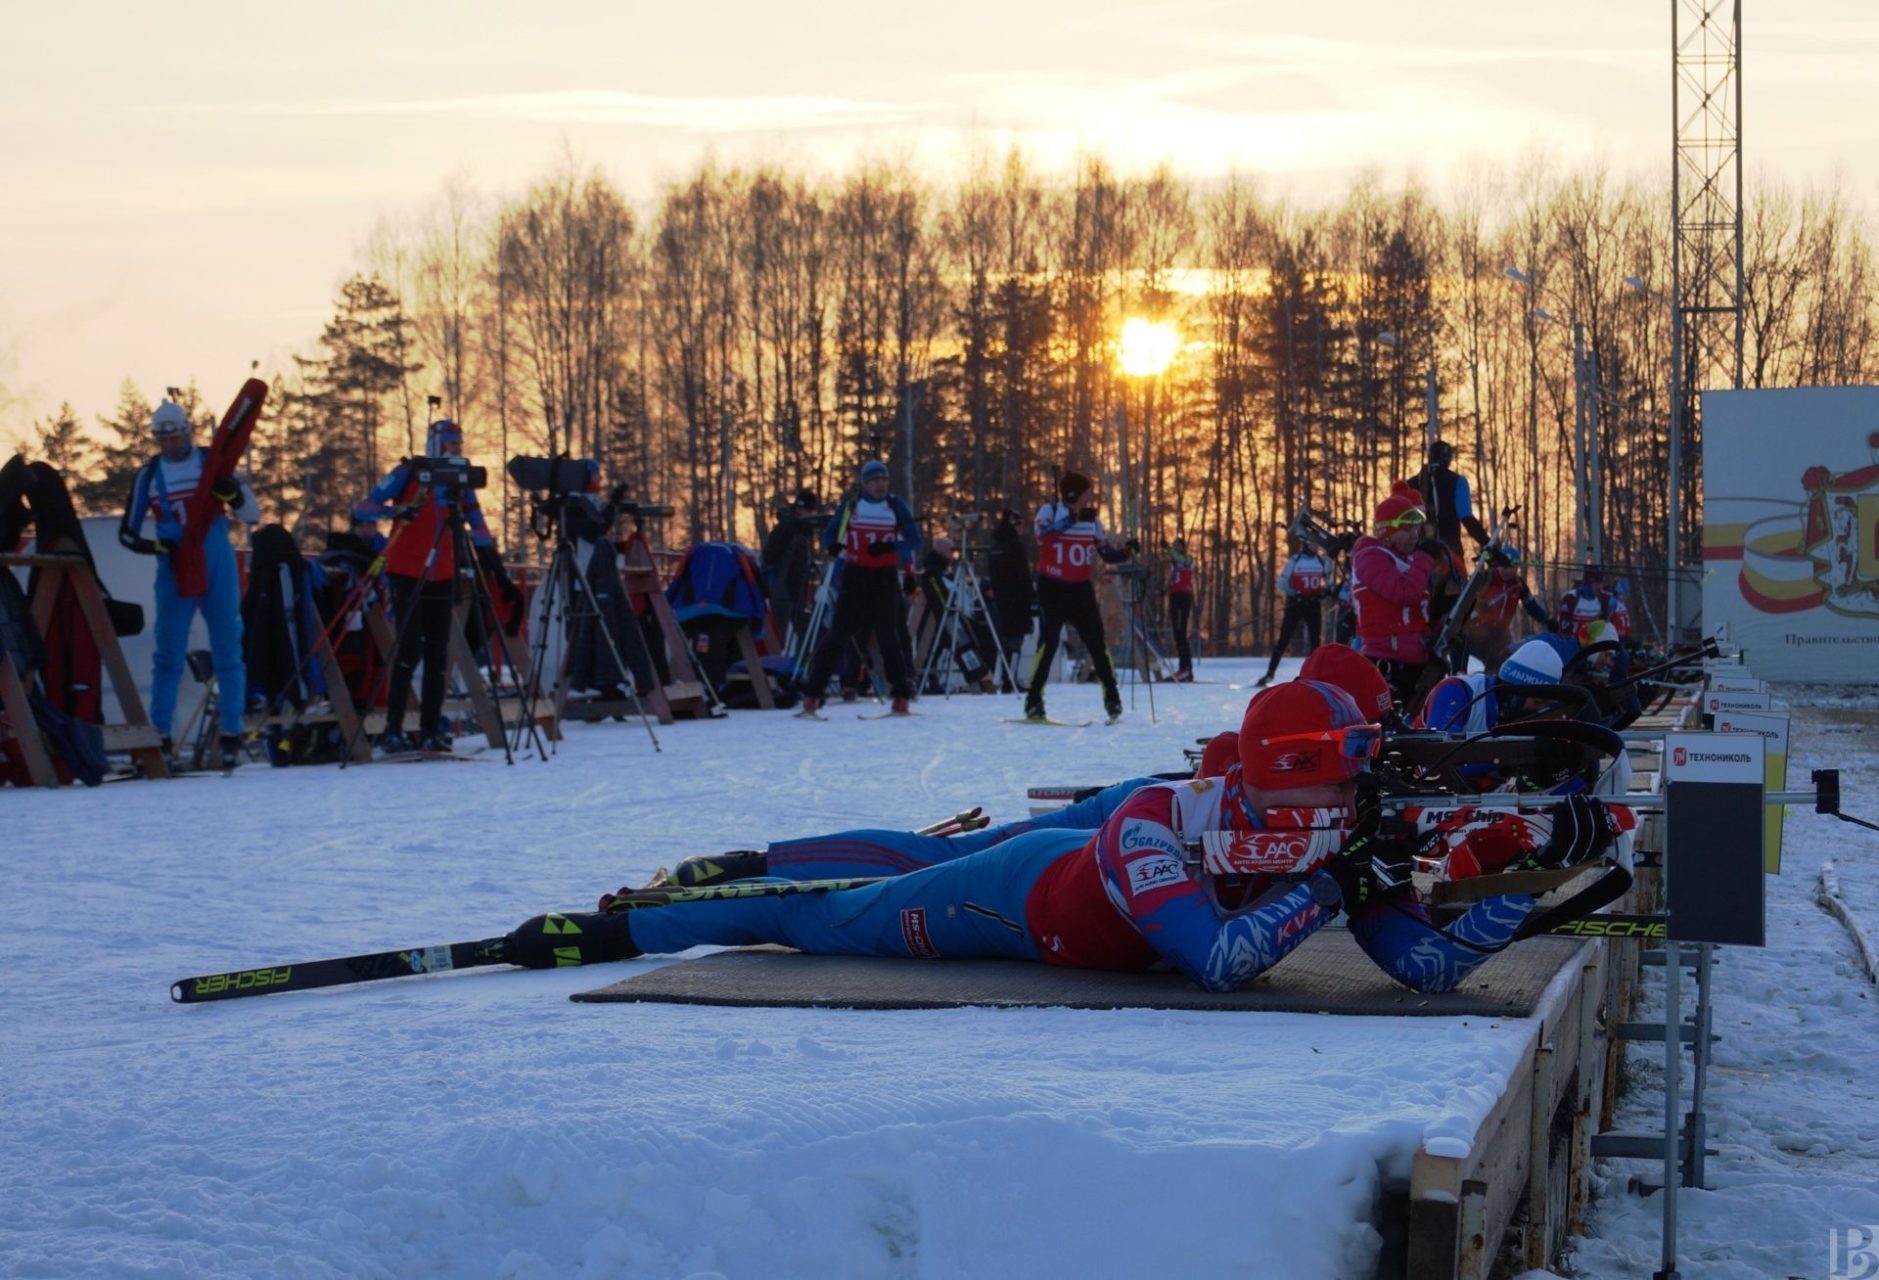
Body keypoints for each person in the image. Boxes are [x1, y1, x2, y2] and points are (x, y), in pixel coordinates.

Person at [506, 680, 1623, 997]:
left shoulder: (1327, 836)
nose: (1359, 800)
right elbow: (1222, 963)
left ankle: (748, 856)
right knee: (835, 909)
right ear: (1286, 783)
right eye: (1340, 779)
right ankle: (646, 916)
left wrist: (1519, 895)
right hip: (1026, 905)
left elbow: (1424, 970)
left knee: (905, 849)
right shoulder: (1157, 820)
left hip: (1101, 899)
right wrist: (1334, 884)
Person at [118, 396, 261, 771]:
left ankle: (231, 732)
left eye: (175, 437)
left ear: (187, 432)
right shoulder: (149, 475)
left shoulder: (211, 464)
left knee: (229, 649)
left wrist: (232, 493)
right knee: (168, 655)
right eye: (162, 440)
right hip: (175, 566)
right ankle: (161, 735)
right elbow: (127, 534)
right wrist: (155, 546)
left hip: (216, 561)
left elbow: (252, 514)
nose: (169, 445)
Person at [356, 419, 495, 754]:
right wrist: (400, 511)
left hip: (443, 572)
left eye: (457, 445)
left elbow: (476, 522)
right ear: (434, 443)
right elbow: (365, 508)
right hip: (406, 570)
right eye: (448, 444)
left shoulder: (458, 480)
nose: (453, 450)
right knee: (408, 650)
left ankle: (430, 730)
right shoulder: (410, 473)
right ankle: (394, 729)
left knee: (437, 655)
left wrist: (491, 561)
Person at [797, 460, 920, 718]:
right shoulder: (853, 506)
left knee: (889, 638)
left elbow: (913, 539)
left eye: (884, 479)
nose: (880, 484)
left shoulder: (895, 506)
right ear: (865, 484)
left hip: (884, 578)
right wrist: (834, 549)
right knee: (838, 636)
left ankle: (900, 696)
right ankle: (812, 695)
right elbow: (831, 536)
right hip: (855, 577)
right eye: (875, 480)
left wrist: (898, 558)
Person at [1026, 470, 1133, 724]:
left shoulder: (1092, 520)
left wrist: (1128, 551)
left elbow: (1106, 553)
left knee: (1097, 643)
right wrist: (1071, 519)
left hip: (1079, 587)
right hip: (1052, 585)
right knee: (1049, 641)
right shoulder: (1050, 512)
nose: (1089, 498)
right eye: (1086, 493)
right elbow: (1044, 536)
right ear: (1074, 493)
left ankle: (1112, 699)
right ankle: (1033, 701)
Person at [1351, 485, 1449, 710]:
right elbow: (1403, 593)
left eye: (1416, 529)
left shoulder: (1406, 560)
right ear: (1387, 530)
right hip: (1387, 663)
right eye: (1407, 530)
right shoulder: (1370, 557)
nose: (1414, 536)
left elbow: (1417, 607)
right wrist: (1425, 559)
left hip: (1416, 662)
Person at [1461, 546, 1554, 674]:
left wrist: (1547, 620)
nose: (1508, 571)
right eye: (1505, 567)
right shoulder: (1487, 577)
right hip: (1478, 631)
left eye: (1512, 567)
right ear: (1497, 565)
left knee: (1500, 663)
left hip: (1500, 635)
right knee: (1462, 652)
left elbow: (1531, 606)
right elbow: (1465, 596)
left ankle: (1493, 685)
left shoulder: (1518, 584)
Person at [1256, 537, 1331, 687]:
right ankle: (1270, 673)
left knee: (1315, 641)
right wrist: (1295, 594)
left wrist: (1321, 594)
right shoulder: (1295, 560)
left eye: (1317, 544)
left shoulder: (1323, 561)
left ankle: (1316, 674)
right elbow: (1282, 582)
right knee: (1284, 639)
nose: (1315, 547)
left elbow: (1330, 584)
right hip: (1295, 605)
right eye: (1312, 543)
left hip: (1313, 605)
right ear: (1305, 544)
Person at [1407, 439, 1490, 559]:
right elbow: (1466, 517)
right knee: (1456, 576)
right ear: (1448, 459)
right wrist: (1487, 543)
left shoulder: (1410, 484)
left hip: (1415, 556)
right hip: (1449, 554)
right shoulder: (1457, 481)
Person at [983, 508, 1034, 692]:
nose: (1022, 529)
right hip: (1017, 601)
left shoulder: (995, 546)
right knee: (1015, 643)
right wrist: (1031, 598)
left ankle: (1006, 677)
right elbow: (1023, 575)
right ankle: (1009, 680)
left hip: (1000, 601)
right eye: (1020, 524)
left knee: (1006, 642)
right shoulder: (1015, 546)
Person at [1557, 563, 1631, 640]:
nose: (1600, 587)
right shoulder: (1570, 598)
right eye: (1597, 583)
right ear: (1588, 583)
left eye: (1602, 582)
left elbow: (1613, 624)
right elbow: (1563, 629)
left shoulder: (1605, 599)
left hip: (1595, 646)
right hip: (1574, 645)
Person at [1166, 538, 1196, 682]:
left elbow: (1181, 559)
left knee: (1181, 633)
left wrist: (1169, 550)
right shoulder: (1174, 563)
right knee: (1177, 634)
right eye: (1174, 545)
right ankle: (1184, 668)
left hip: (1183, 597)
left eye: (1178, 546)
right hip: (1174, 596)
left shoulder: (1187, 559)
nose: (1175, 548)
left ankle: (1186, 668)